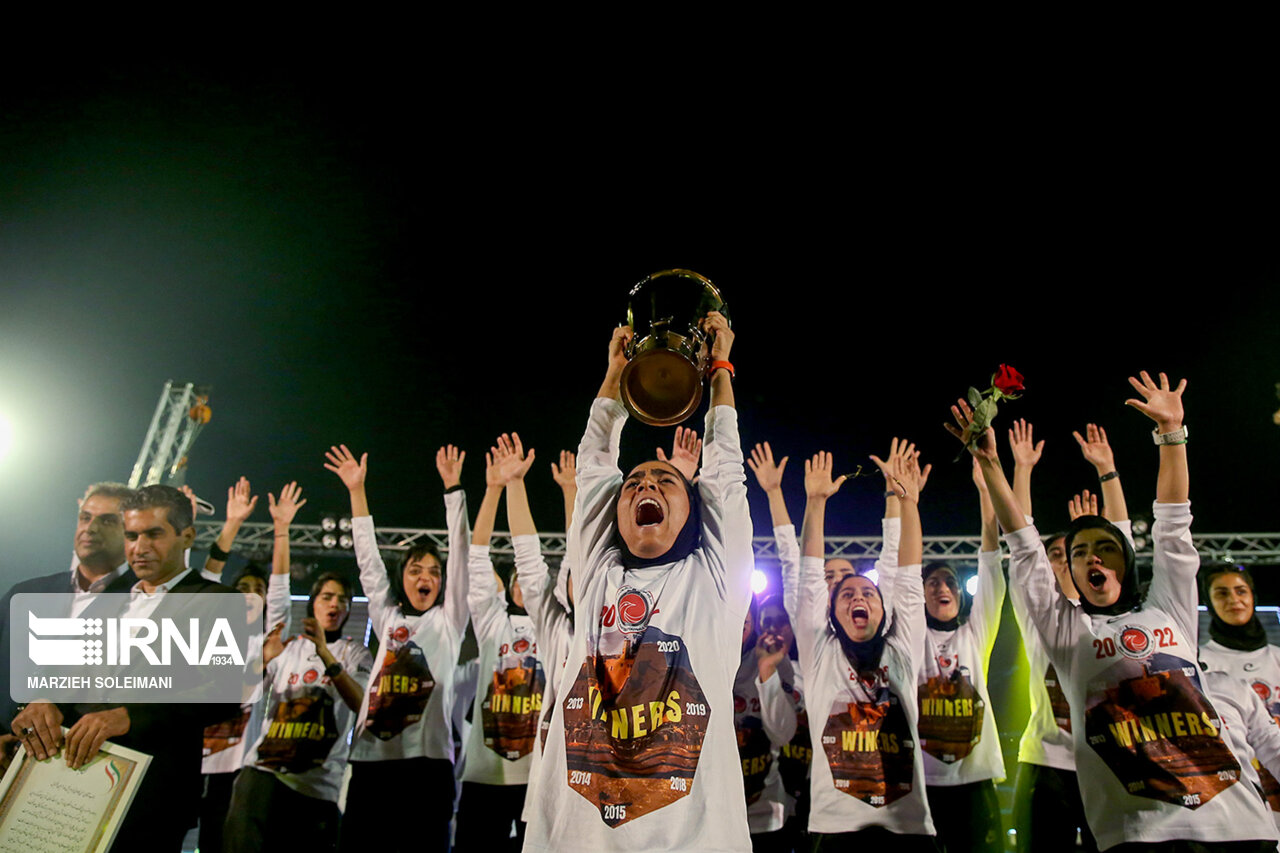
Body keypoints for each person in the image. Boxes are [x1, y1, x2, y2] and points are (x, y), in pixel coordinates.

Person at [952, 371, 1279, 851]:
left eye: (1105, 547)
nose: (1092, 558)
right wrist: (993, 465)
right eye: (1079, 552)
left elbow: (1173, 524)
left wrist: (1171, 435)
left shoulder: (1168, 609)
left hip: (1238, 827)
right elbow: (1023, 549)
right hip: (1141, 834)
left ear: (1126, 561)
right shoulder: (1067, 632)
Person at [523, 311, 754, 852]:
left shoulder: (713, 581)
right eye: (636, 482)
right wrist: (614, 376)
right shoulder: (600, 572)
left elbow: (724, 472)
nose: (644, 482)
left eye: (664, 479)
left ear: (692, 511)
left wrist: (720, 368)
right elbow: (597, 463)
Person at [11, 484, 241, 851]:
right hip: (68, 783)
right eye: (132, 535)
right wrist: (42, 700)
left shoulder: (218, 601)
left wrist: (130, 714)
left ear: (187, 537)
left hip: (152, 794)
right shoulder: (108, 598)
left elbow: (223, 695)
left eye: (154, 534)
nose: (140, 547)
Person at [325, 443, 471, 853]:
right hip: (372, 763)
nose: (425, 578)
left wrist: (453, 489)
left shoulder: (449, 619)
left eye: (434, 572)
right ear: (402, 578)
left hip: (428, 768)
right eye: (415, 570)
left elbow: (461, 554)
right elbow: (368, 561)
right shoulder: (387, 617)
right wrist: (357, 490)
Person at [796, 448, 935, 850]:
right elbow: (808, 575)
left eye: (869, 593)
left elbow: (907, 574)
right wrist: (816, 502)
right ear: (832, 612)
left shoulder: (902, 646)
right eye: (847, 594)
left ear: (883, 609)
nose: (859, 596)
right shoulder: (819, 653)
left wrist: (908, 502)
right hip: (836, 828)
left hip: (908, 827)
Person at [1007, 420, 1131, 853]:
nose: (1061, 561)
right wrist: (1022, 470)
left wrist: (1108, 471)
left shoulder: (1116, 617)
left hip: (1113, 759)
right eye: (1055, 554)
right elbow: (1020, 542)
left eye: (1072, 553)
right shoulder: (1037, 613)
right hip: (1047, 762)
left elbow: (1123, 545)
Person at [226, 567, 371, 852]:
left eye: (343, 600)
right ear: (312, 603)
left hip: (316, 787)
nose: (335, 604)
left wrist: (325, 653)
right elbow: (241, 697)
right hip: (264, 776)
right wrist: (264, 660)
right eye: (327, 597)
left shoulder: (357, 654)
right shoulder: (289, 648)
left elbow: (362, 704)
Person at [454, 435, 546, 850]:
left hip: (540, 777)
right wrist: (493, 489)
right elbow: (477, 560)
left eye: (531, 580)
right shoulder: (492, 624)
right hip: (485, 775)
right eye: (517, 583)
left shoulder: (552, 624)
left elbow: (539, 560)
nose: (525, 585)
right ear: (509, 592)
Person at [198, 481, 299, 853]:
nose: (252, 592)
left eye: (259, 587)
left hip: (238, 768)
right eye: (243, 586)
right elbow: (204, 582)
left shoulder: (267, 643)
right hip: (188, 759)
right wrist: (232, 523)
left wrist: (282, 531)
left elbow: (280, 593)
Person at [915, 458, 1005, 853]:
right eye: (931, 582)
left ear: (961, 592)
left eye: (949, 580)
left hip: (975, 781)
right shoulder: (910, 638)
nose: (941, 588)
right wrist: (907, 500)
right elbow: (902, 571)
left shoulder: (976, 632)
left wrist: (986, 492)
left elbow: (990, 559)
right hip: (922, 783)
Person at [0, 481, 138, 730]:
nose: (91, 528)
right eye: (85, 517)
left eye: (107, 521)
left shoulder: (149, 601)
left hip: (84, 760)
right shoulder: (24, 593)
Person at [509, 448, 577, 831]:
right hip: (549, 800)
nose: (581, 580)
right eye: (572, 576)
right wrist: (515, 484)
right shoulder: (557, 631)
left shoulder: (625, 635)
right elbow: (530, 561)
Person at [1200, 562, 1280, 815]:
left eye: (1240, 591)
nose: (1233, 599)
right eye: (1222, 593)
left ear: (1253, 596)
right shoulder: (1202, 663)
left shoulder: (1278, 657)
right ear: (1210, 602)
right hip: (1243, 796)